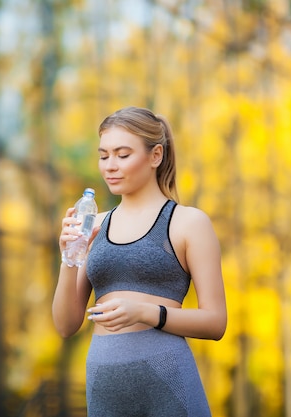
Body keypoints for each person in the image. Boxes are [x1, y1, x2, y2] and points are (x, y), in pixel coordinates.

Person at [52, 106, 227, 416]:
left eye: (122, 154)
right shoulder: (93, 224)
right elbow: (66, 325)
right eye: (104, 156)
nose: (110, 166)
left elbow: (215, 322)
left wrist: (145, 313)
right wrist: (69, 256)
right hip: (104, 389)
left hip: (168, 384)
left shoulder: (188, 223)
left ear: (155, 155)